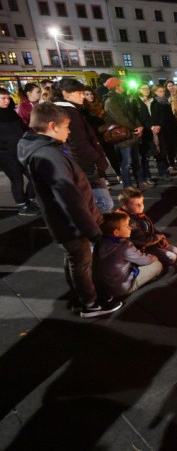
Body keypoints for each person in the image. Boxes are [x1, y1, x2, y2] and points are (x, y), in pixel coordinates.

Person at [17, 102, 122, 317]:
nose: (69, 130)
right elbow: (70, 198)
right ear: (52, 125)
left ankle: (80, 297)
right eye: (66, 126)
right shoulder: (48, 156)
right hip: (71, 224)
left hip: (64, 222)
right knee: (81, 263)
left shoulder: (42, 150)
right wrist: (92, 230)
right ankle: (90, 303)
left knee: (74, 261)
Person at [52, 79, 115, 212]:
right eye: (79, 93)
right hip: (85, 166)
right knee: (103, 204)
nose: (83, 96)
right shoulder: (70, 113)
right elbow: (79, 143)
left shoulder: (65, 110)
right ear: (65, 93)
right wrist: (98, 161)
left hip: (78, 164)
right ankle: (94, 230)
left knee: (91, 204)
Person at [92, 211, 163, 297]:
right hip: (120, 288)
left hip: (102, 286)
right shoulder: (124, 246)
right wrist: (154, 257)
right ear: (116, 232)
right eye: (126, 226)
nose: (130, 228)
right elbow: (145, 260)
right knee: (157, 265)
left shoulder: (99, 241)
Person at [0, 88, 38, 215]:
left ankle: (29, 200)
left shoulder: (11, 112)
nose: (7, 101)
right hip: (7, 156)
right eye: (3, 98)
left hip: (23, 151)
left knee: (35, 176)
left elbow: (22, 129)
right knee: (17, 181)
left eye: (8, 98)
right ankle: (23, 206)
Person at [117, 187, 177, 266]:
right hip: (140, 249)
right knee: (171, 258)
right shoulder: (127, 220)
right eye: (136, 204)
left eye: (141, 202)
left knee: (176, 250)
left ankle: (157, 252)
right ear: (125, 206)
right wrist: (158, 238)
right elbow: (142, 241)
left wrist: (160, 237)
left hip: (149, 242)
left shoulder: (136, 214)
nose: (141, 206)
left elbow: (149, 228)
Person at [104, 77, 145, 188]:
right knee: (126, 163)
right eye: (121, 85)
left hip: (131, 134)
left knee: (136, 160)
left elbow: (132, 114)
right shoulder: (111, 101)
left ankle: (140, 182)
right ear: (116, 87)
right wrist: (135, 128)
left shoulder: (122, 98)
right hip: (122, 135)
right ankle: (128, 186)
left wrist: (139, 126)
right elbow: (120, 118)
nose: (123, 86)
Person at [130, 83, 157, 186]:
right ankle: (142, 179)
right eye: (144, 88)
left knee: (145, 156)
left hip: (147, 132)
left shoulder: (148, 100)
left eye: (148, 88)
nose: (147, 90)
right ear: (139, 90)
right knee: (141, 157)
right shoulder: (135, 101)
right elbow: (138, 117)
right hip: (140, 131)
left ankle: (147, 177)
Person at [152, 85, 177, 177]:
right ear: (155, 92)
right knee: (163, 149)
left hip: (171, 127)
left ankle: (172, 164)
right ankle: (166, 168)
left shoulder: (167, 101)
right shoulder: (155, 103)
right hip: (162, 129)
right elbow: (157, 116)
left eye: (163, 91)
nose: (162, 93)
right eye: (160, 91)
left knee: (171, 147)